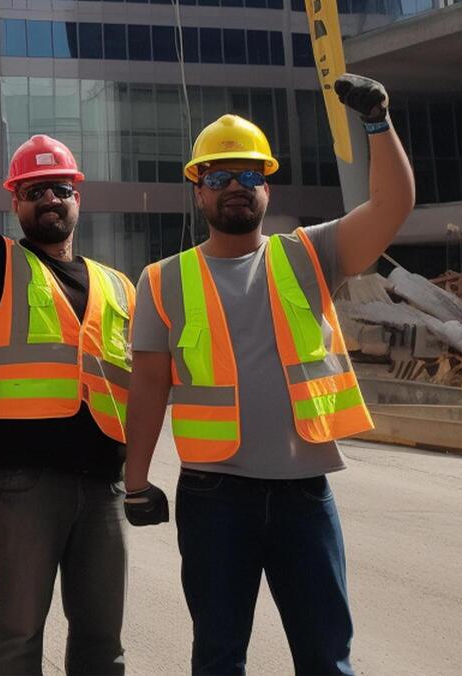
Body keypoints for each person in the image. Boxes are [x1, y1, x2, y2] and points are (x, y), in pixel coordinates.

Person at [123, 75, 412, 675]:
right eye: (219, 177)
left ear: (266, 187)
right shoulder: (161, 280)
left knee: (327, 659)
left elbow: (392, 206)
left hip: (304, 493)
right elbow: (149, 388)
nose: (235, 187)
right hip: (213, 495)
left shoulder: (311, 254)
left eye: (249, 175)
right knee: (220, 657)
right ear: (198, 192)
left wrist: (378, 123)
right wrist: (136, 480)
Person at [0, 86, 136, 675]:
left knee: (102, 639)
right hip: (26, 485)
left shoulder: (119, 287)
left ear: (76, 198)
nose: (49, 199)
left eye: (59, 189)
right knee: (18, 630)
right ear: (15, 203)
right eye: (34, 191)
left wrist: (136, 477)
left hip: (103, 487)